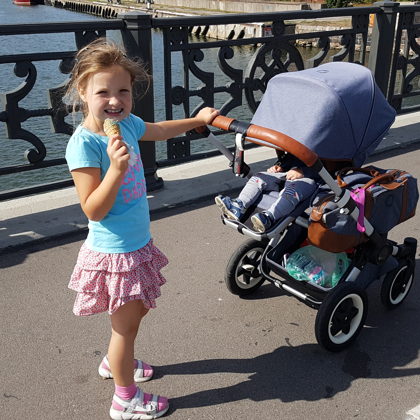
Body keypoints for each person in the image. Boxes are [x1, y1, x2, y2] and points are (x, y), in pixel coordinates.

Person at [65, 38, 219, 420]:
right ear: (83, 91)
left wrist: (198, 120)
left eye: (124, 91)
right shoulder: (85, 145)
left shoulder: (127, 126)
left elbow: (160, 130)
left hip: (136, 244)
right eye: (103, 92)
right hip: (114, 253)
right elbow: (93, 209)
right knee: (125, 330)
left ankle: (114, 362)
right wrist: (115, 170)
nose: (115, 101)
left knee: (136, 316)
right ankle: (125, 399)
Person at [215, 151, 317, 232]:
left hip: (311, 178)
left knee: (291, 192)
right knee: (259, 177)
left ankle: (268, 218)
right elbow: (291, 156)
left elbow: (325, 165)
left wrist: (304, 172)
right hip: (288, 172)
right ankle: (239, 205)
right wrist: (280, 166)